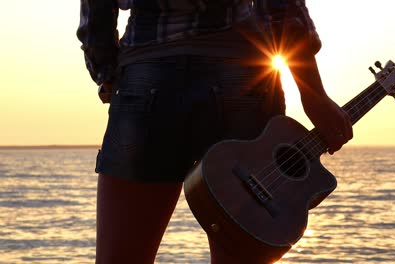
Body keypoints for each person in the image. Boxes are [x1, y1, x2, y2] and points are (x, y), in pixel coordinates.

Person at [77, 0, 353, 263]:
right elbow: (280, 8)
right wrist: (312, 92)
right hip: (242, 79)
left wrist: (107, 72)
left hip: (149, 76)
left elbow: (97, 10)